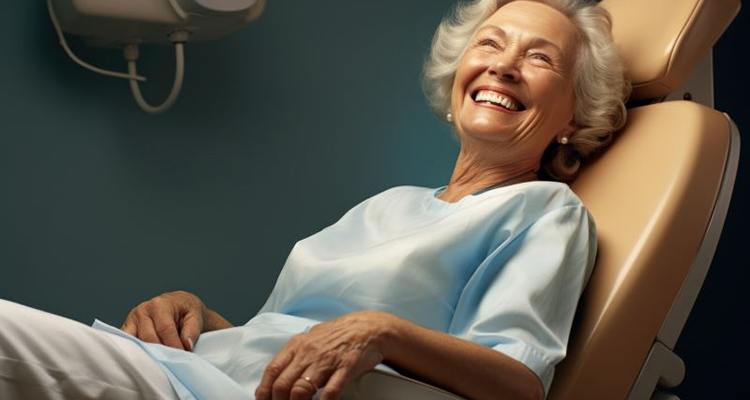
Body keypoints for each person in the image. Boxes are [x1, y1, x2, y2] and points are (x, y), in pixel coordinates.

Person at [0, 0, 629, 399]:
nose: (505, 65)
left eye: (540, 57)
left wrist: (381, 332)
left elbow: (518, 384)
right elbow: (277, 337)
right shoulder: (392, 203)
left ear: (574, 115)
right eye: (490, 43)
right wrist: (195, 313)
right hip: (202, 374)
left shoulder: (546, 212)